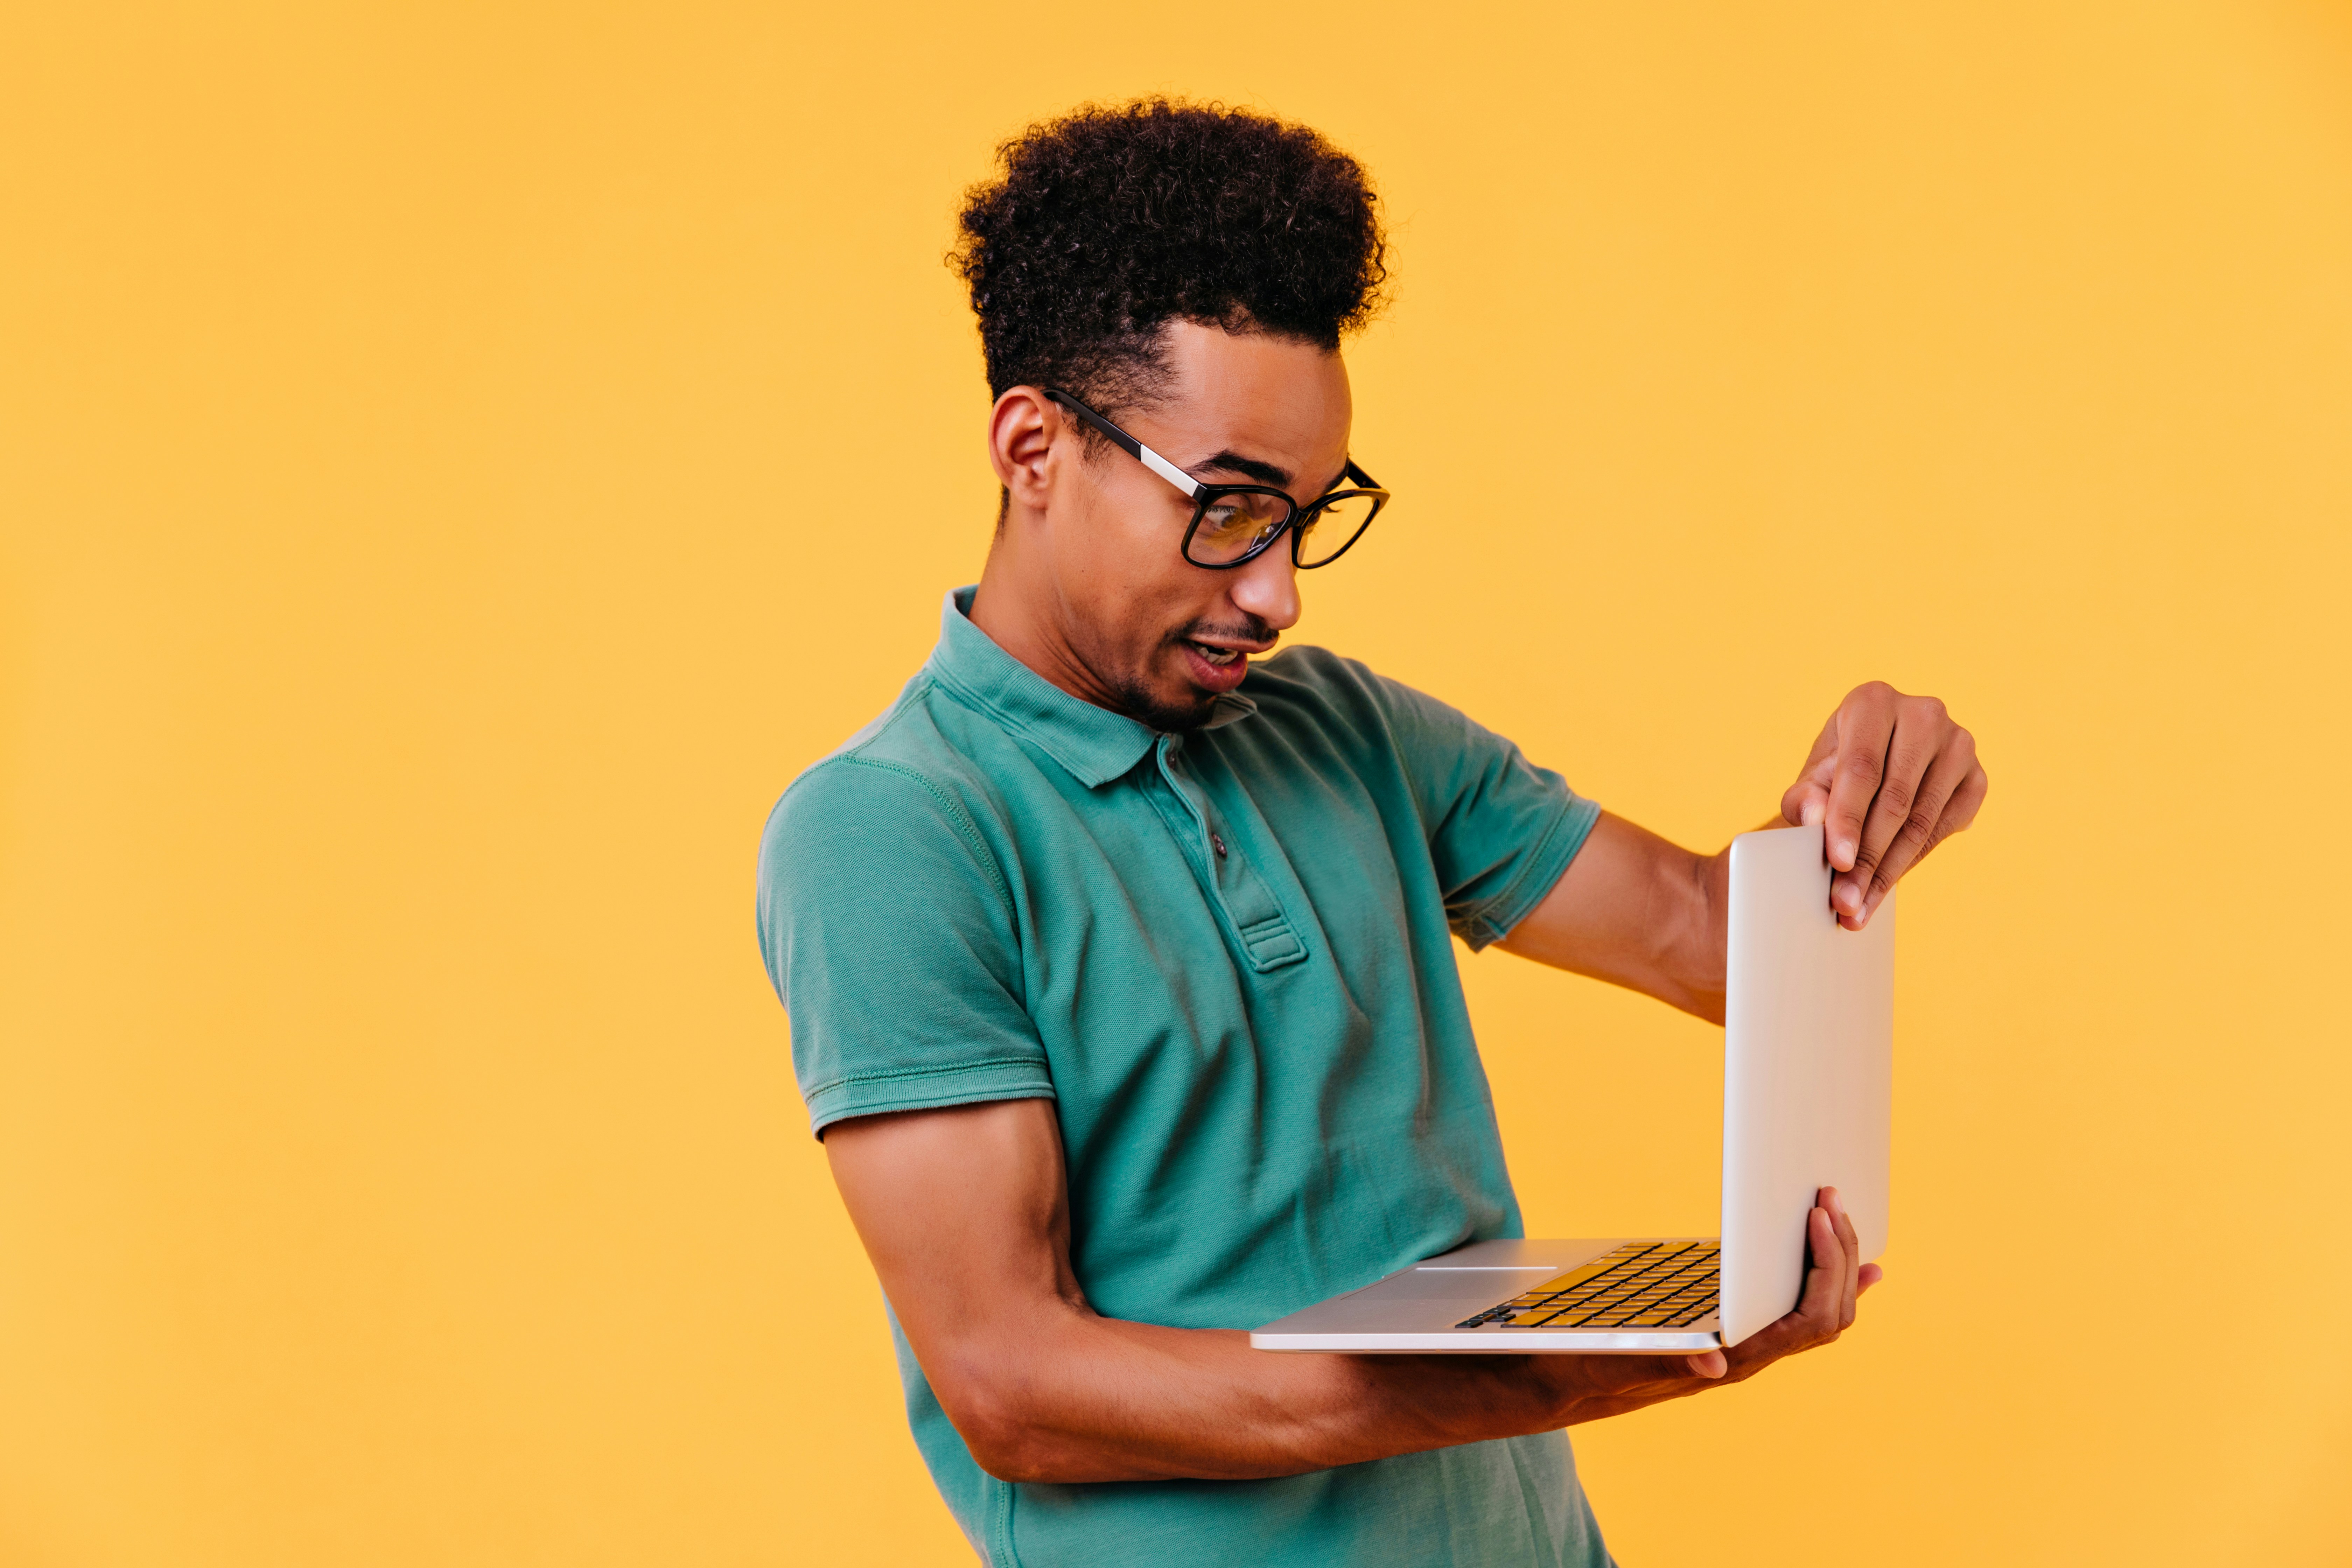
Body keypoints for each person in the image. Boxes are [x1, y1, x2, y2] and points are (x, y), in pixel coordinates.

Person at [757, 98, 1986, 1568]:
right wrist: (1539, 1372)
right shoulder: (895, 830)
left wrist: (1849, 807)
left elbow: (1718, 947)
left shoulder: (1346, 727)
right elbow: (1019, 1390)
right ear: (1033, 449)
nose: (1280, 596)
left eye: (1308, 518)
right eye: (1228, 510)